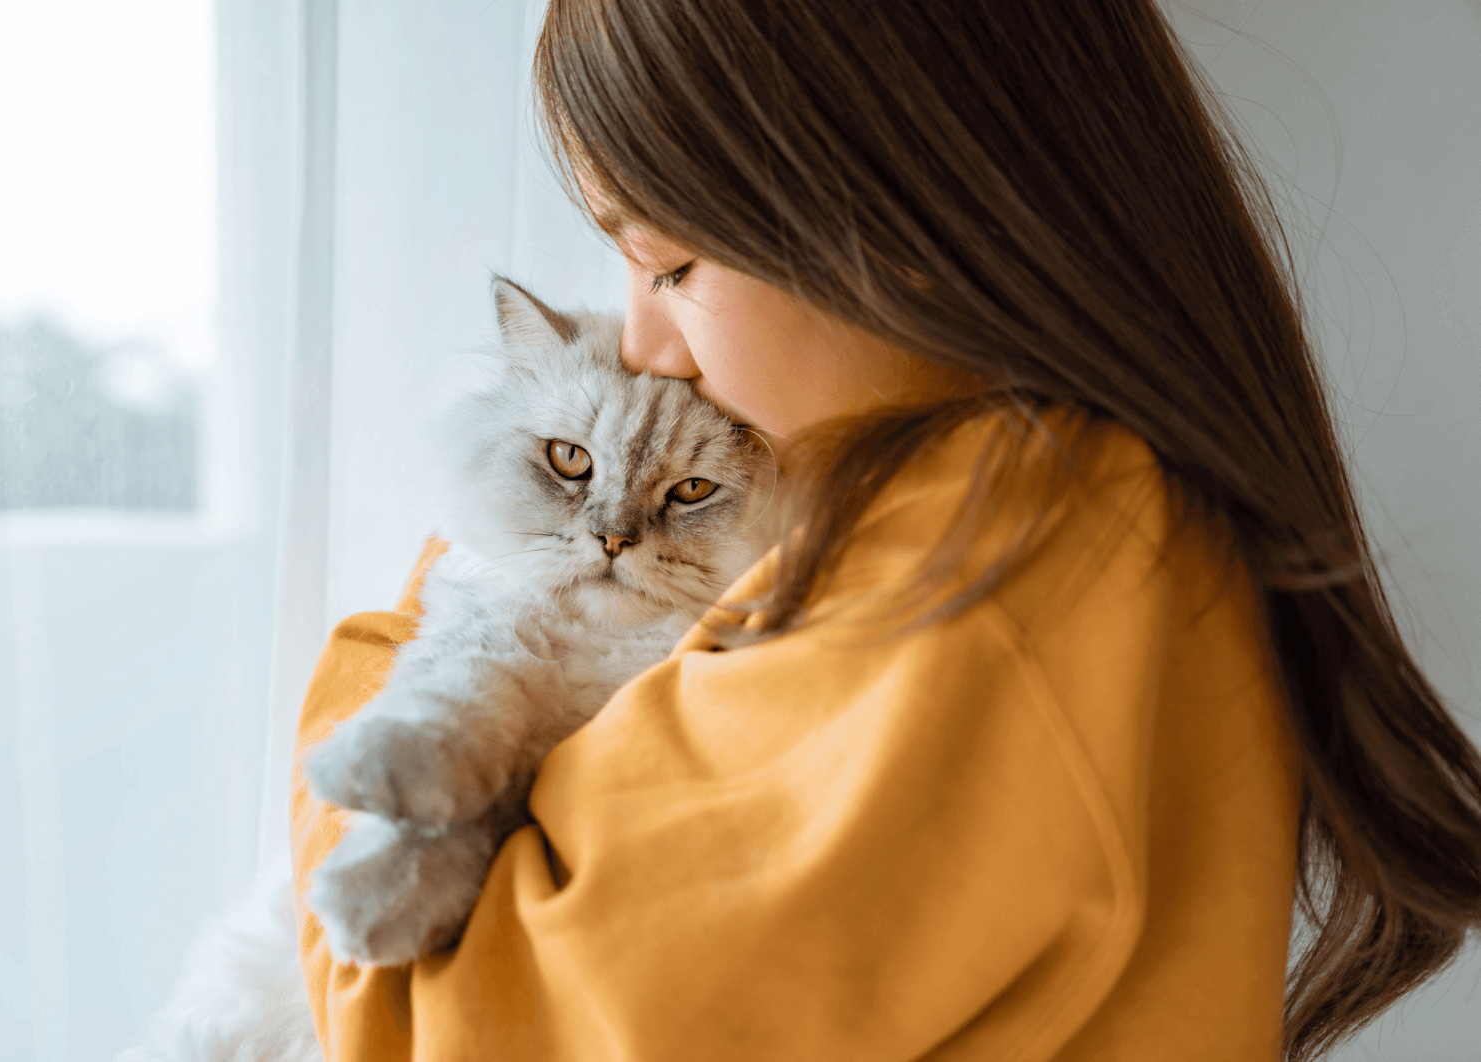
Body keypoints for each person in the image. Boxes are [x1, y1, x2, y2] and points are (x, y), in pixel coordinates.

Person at [289, 1, 1481, 1059]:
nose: (648, 350)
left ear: (892, 223)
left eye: (669, 265)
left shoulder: (1002, 545)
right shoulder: (1073, 513)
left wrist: (391, 656)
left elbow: (437, 1023)